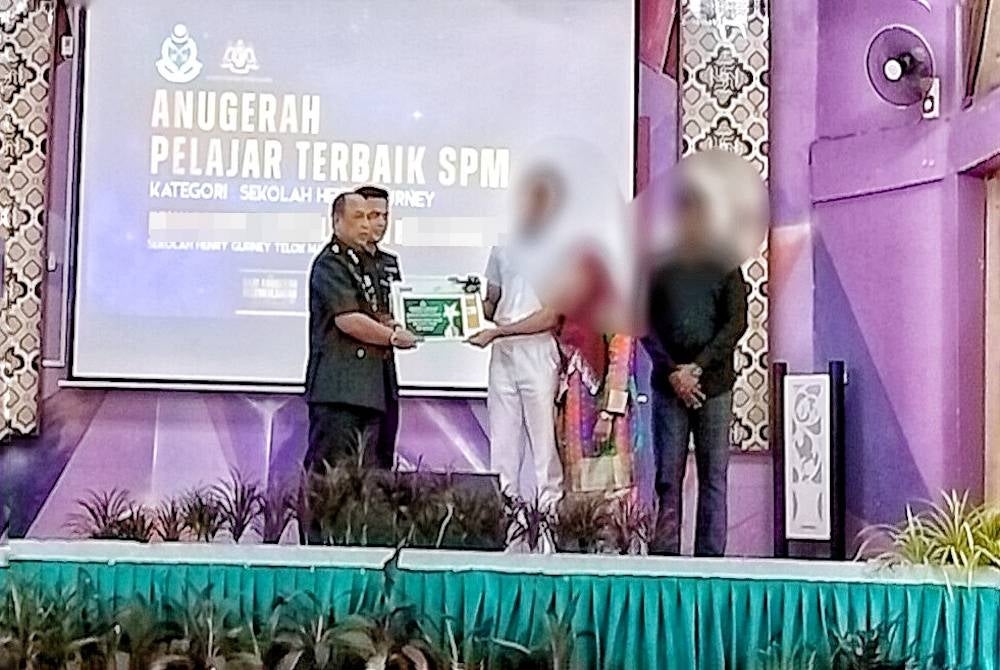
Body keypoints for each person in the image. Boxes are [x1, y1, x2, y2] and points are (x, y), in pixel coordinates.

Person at [641, 179, 750, 557]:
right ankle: (665, 565)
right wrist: (674, 372)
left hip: (714, 386)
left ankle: (711, 565)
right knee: (668, 481)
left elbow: (736, 323)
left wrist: (697, 370)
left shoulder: (726, 263)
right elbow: (643, 322)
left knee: (714, 479)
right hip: (668, 387)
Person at [466, 170, 565, 546]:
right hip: (503, 352)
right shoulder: (502, 248)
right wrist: (467, 306)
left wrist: (499, 330)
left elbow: (551, 315)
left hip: (537, 351)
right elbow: (492, 302)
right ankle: (507, 537)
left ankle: (548, 540)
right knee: (503, 451)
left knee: (544, 452)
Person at [304, 192, 418, 477]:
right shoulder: (331, 263)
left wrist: (392, 324)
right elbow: (348, 320)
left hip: (374, 389)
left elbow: (376, 311)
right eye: (359, 217)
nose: (367, 225)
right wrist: (391, 337)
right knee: (332, 478)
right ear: (336, 221)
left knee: (373, 477)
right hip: (341, 391)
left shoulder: (371, 263)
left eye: (371, 217)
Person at [355, 185, 402, 470]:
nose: (381, 222)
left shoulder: (389, 263)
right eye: (373, 215)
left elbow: (399, 311)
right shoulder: (342, 262)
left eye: (385, 215)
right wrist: (391, 331)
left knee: (383, 461)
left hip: (385, 378)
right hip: (354, 382)